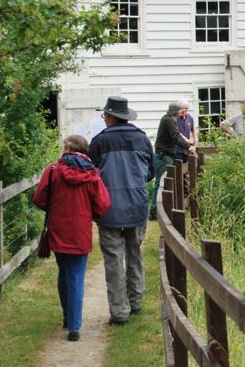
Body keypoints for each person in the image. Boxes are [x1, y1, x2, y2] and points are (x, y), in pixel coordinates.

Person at [31, 135, 111, 342]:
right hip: (80, 230)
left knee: (64, 272)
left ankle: (68, 318)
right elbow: (103, 204)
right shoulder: (92, 174)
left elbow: (39, 198)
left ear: (67, 149)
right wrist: (90, 213)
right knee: (75, 276)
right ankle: (74, 326)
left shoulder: (53, 171)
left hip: (58, 228)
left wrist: (56, 208)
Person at [87, 96, 155, 325]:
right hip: (137, 205)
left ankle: (119, 312)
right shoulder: (142, 139)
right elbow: (150, 173)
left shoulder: (99, 142)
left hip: (108, 208)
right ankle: (135, 302)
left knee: (114, 260)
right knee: (135, 254)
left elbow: (91, 176)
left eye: (104, 115)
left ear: (110, 117)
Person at [152, 101, 195, 217]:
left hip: (166, 155)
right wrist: (188, 147)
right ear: (176, 111)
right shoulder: (168, 120)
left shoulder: (170, 119)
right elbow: (176, 136)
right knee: (161, 183)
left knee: (166, 183)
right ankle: (154, 211)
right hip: (163, 156)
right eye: (180, 110)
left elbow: (176, 136)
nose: (182, 112)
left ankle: (161, 210)